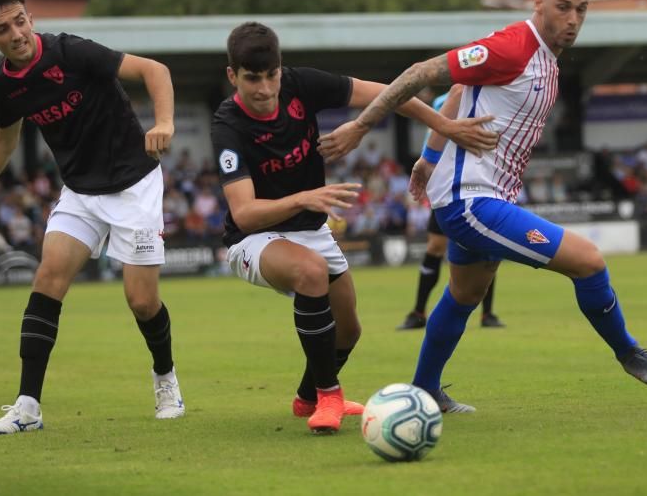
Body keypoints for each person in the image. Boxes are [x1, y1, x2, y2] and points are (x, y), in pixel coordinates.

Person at [319, 0, 647, 413]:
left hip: (482, 196)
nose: (572, 19)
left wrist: (428, 161)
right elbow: (419, 73)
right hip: (472, 200)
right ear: (539, 2)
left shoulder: (545, 60)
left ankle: (424, 389)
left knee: (465, 294)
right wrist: (360, 125)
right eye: (563, 7)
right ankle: (630, 353)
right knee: (588, 261)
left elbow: (454, 95)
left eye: (581, 10)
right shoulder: (512, 47)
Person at [211, 22, 496, 434]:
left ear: (280, 68)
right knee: (310, 273)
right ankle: (330, 396)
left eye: (270, 75)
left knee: (349, 329)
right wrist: (303, 198)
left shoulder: (300, 85)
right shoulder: (227, 125)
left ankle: (307, 397)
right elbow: (244, 213)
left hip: (310, 229)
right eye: (252, 78)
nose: (264, 88)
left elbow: (389, 94)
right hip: (254, 238)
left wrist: (445, 126)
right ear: (232, 75)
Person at [0, 0, 185, 435]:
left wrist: (164, 122)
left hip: (134, 185)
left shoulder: (72, 52)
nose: (16, 33)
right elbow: (4, 138)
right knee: (47, 279)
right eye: (3, 28)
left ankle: (165, 378)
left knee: (141, 301)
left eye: (20, 20)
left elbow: (155, 70)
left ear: (31, 19)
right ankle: (27, 406)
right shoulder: (2, 81)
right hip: (80, 192)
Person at [398, 87, 505, 330]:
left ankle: (487, 314)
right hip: (448, 185)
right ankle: (418, 312)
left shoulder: (492, 97)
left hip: (480, 182)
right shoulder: (444, 100)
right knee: (435, 247)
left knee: (486, 246)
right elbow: (434, 136)